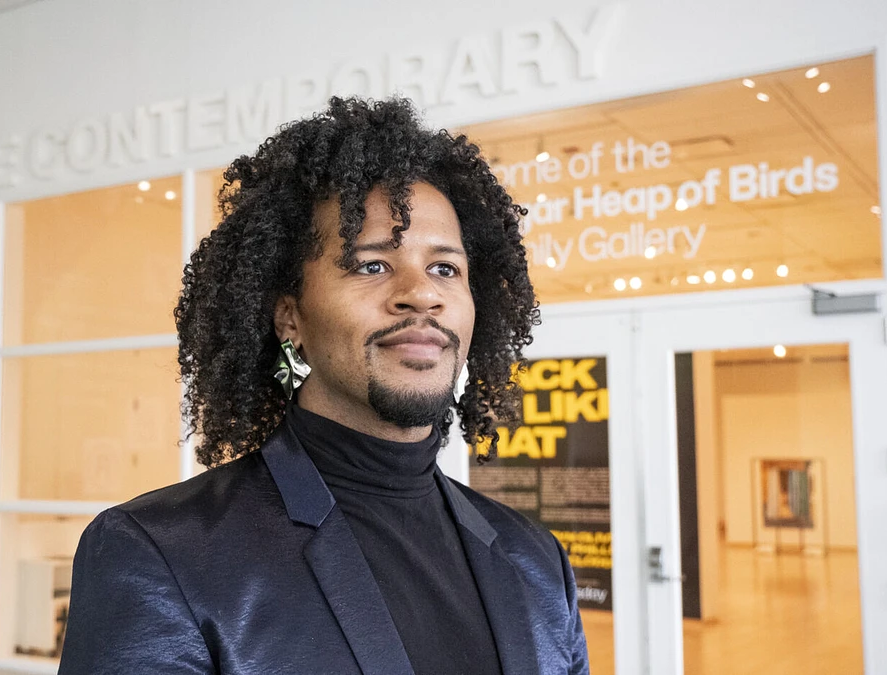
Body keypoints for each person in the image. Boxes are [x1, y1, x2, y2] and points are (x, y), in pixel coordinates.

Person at [58, 96, 589, 675]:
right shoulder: (160, 553)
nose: (422, 292)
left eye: (445, 268)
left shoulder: (534, 559)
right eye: (371, 265)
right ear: (291, 316)